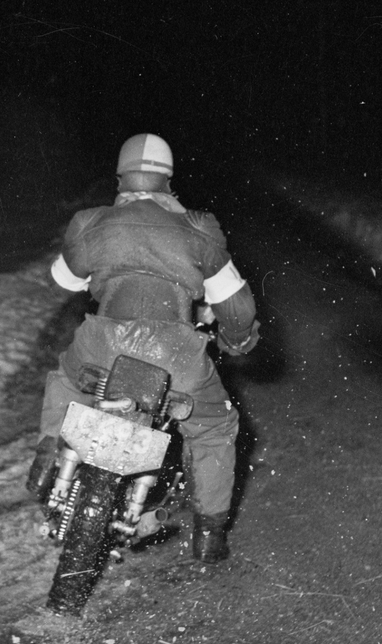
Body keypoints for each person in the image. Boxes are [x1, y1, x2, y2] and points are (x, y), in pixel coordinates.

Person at [30, 133, 259, 563]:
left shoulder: (91, 222)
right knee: (214, 428)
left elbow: (64, 280)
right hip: (175, 353)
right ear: (168, 178)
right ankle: (209, 535)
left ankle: (47, 454)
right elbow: (237, 304)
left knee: (66, 380)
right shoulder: (198, 227)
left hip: (102, 342)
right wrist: (238, 339)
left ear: (121, 175)